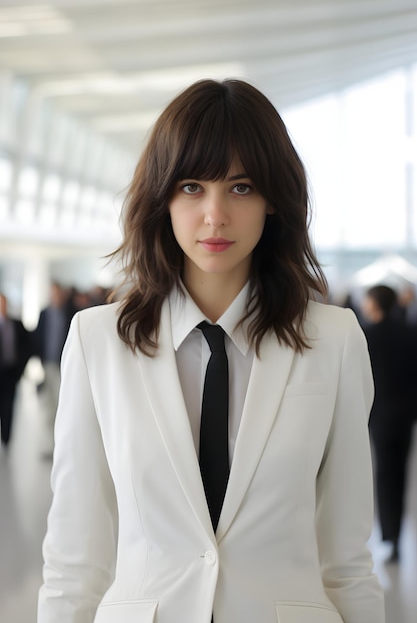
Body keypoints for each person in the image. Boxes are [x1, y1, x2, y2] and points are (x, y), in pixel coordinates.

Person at [38, 79, 384, 623]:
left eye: (241, 187)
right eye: (193, 187)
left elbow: (347, 562)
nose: (215, 216)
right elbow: (74, 562)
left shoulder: (333, 340)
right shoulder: (98, 339)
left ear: (273, 199)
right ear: (162, 197)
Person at [361, 284, 417, 563]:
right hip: (405, 415)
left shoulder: (367, 335)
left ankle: (391, 536)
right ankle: (396, 540)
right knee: (401, 473)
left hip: (380, 414)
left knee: (384, 475)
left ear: (375, 303)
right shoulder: (410, 332)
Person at [34, 282, 74, 457]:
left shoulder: (70, 313)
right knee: (49, 406)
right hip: (48, 365)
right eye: (53, 294)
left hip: (64, 366)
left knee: (63, 405)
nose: (55, 297)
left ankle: (64, 447)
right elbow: (38, 337)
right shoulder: (44, 314)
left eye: (58, 293)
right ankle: (52, 445)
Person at [0, 293, 32, 448]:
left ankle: (6, 438)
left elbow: (27, 347)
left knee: (8, 406)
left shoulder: (17, 324)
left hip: (11, 372)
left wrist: (21, 368)